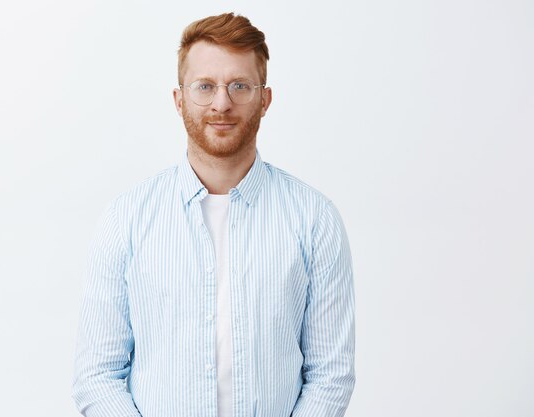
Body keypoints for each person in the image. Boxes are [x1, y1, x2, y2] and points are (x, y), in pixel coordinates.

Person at [72, 12, 356, 417]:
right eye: (205, 86)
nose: (222, 103)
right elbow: (96, 376)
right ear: (179, 98)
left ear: (265, 98)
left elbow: (330, 375)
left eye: (240, 85)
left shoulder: (314, 220)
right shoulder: (127, 220)